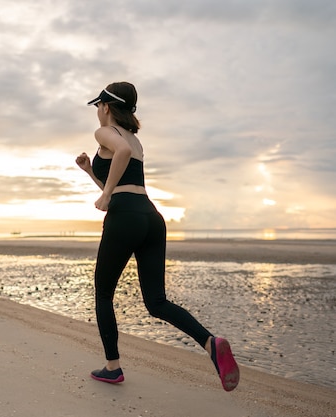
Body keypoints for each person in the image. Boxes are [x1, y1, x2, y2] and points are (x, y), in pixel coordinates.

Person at [75, 82, 240, 392]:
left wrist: (106, 192)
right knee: (157, 301)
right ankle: (210, 342)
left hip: (124, 218)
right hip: (151, 218)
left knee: (103, 294)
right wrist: (91, 173)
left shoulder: (105, 134)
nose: (97, 112)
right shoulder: (135, 141)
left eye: (98, 106)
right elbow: (126, 183)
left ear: (107, 107)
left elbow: (115, 187)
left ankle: (112, 367)